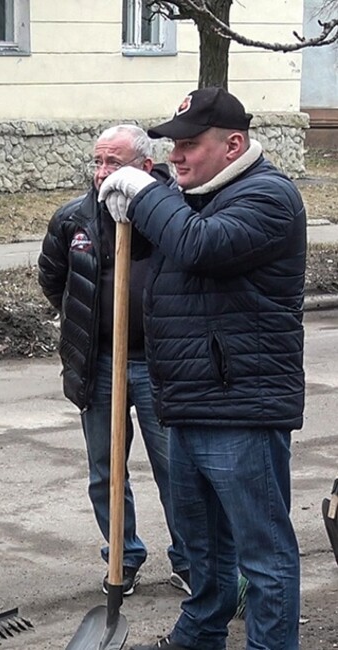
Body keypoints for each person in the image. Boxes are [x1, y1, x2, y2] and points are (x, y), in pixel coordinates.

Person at [98, 87, 305, 650]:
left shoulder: (268, 197)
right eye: (171, 147)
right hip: (187, 403)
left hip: (241, 408)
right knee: (204, 553)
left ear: (234, 144)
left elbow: (199, 247)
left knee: (263, 556)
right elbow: (141, 251)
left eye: (189, 145)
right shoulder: (191, 196)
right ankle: (198, 637)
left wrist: (146, 193)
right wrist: (113, 203)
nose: (176, 158)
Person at [38, 124, 189, 597]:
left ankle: (190, 560)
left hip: (160, 365)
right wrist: (84, 323)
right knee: (105, 470)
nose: (103, 174)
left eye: (114, 164)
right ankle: (122, 557)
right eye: (98, 163)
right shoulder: (74, 220)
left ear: (146, 168)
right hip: (99, 365)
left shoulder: (175, 212)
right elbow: (52, 277)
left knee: (176, 470)